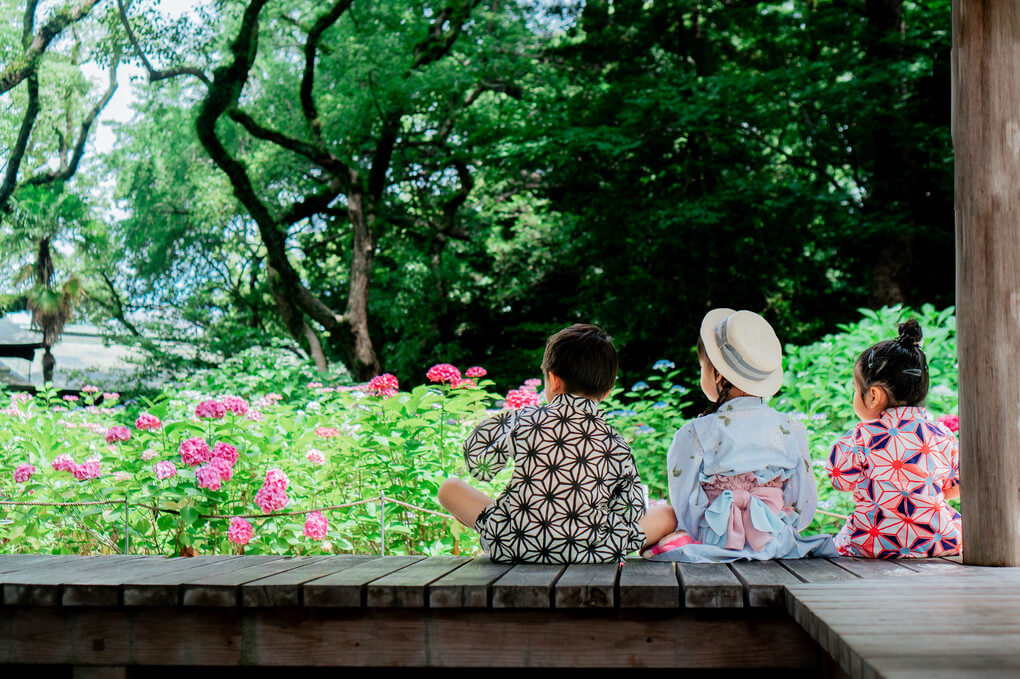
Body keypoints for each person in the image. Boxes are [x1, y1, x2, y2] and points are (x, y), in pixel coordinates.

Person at [437, 324, 678, 563]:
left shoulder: (523, 419)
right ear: (607, 392)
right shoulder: (616, 443)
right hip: (592, 550)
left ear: (552, 380)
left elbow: (478, 463)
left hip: (513, 542)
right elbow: (630, 510)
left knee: (449, 488)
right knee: (667, 514)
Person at [644, 308, 835, 562]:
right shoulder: (791, 429)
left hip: (714, 542)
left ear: (719, 375)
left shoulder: (695, 433)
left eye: (703, 368)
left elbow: (685, 505)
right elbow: (803, 501)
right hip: (775, 542)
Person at [825, 319, 961, 558]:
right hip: (936, 542)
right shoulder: (943, 435)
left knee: (838, 542)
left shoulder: (862, 436)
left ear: (874, 396)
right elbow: (954, 488)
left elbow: (839, 480)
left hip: (873, 543)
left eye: (856, 390)